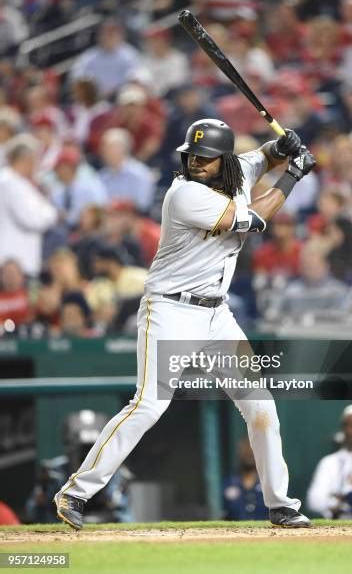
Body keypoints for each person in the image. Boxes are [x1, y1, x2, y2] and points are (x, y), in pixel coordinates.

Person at [54, 118, 316, 530]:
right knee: (148, 406)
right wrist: (293, 176)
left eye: (207, 157)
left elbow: (261, 157)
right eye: (192, 155)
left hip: (217, 314)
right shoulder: (185, 195)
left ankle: (281, 504)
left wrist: (281, 148)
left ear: (222, 159)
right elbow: (257, 218)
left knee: (261, 406)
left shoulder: (235, 168)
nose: (197, 162)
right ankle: (76, 491)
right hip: (170, 311)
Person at [26, 410, 133, 523]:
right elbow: (34, 513)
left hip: (105, 528)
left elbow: (125, 517)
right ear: (69, 448)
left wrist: (111, 499)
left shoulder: (115, 473)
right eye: (83, 450)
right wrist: (43, 497)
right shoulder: (55, 472)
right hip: (63, 529)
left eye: (93, 450)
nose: (87, 456)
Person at [0, 134, 57, 276]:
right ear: (26, 159)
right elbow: (32, 220)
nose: (37, 164)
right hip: (13, 261)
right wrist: (51, 212)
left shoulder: (18, 182)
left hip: (18, 260)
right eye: (35, 159)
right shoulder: (10, 182)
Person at [71, 19, 140, 98]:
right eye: (106, 33)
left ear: (121, 35)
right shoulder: (89, 56)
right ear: (99, 36)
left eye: (113, 33)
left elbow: (135, 77)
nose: (109, 36)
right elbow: (77, 76)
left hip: (121, 98)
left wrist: (115, 91)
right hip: (94, 98)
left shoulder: (130, 54)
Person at [98, 127, 156, 212]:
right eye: (104, 147)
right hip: (107, 219)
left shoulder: (141, 173)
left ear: (123, 149)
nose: (104, 151)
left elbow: (143, 204)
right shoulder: (102, 176)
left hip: (133, 219)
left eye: (109, 147)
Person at [223, 438, 268, 521]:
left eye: (252, 451)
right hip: (234, 532)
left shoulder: (268, 483)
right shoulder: (229, 483)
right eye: (245, 451)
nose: (249, 454)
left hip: (266, 531)